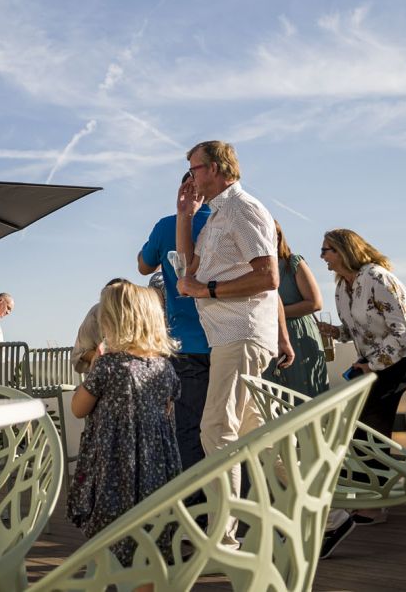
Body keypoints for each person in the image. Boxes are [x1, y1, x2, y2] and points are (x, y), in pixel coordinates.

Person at [175, 140, 287, 549]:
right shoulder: (218, 213)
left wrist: (210, 290)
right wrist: (183, 216)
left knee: (215, 429)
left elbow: (269, 277)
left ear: (220, 167)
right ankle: (329, 510)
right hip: (229, 337)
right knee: (258, 434)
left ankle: (222, 536)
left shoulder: (244, 208)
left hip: (240, 335)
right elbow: (189, 267)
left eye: (196, 169)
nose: (191, 178)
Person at [316, 228, 406, 555]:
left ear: (344, 250)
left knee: (369, 420)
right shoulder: (342, 287)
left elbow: (404, 331)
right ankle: (366, 502)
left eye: (328, 250)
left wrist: (373, 364)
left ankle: (368, 503)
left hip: (405, 358)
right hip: (376, 363)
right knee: (360, 422)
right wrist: (332, 331)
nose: (323, 256)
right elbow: (354, 332)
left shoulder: (377, 278)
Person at [66, 279, 181, 568]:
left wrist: (95, 367)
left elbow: (78, 409)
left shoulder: (108, 366)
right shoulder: (164, 368)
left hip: (114, 469)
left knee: (109, 537)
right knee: (149, 541)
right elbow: (167, 409)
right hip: (156, 470)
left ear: (112, 323)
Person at [138, 175, 213, 471]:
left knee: (188, 429)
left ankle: (197, 508)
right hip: (228, 339)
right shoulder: (223, 222)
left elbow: (144, 266)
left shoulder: (166, 226)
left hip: (186, 342)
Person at [263, 220, 328, 397]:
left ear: (279, 236)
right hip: (268, 336)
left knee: (304, 392)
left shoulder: (293, 262)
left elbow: (315, 303)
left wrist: (276, 314)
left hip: (298, 334)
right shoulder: (254, 269)